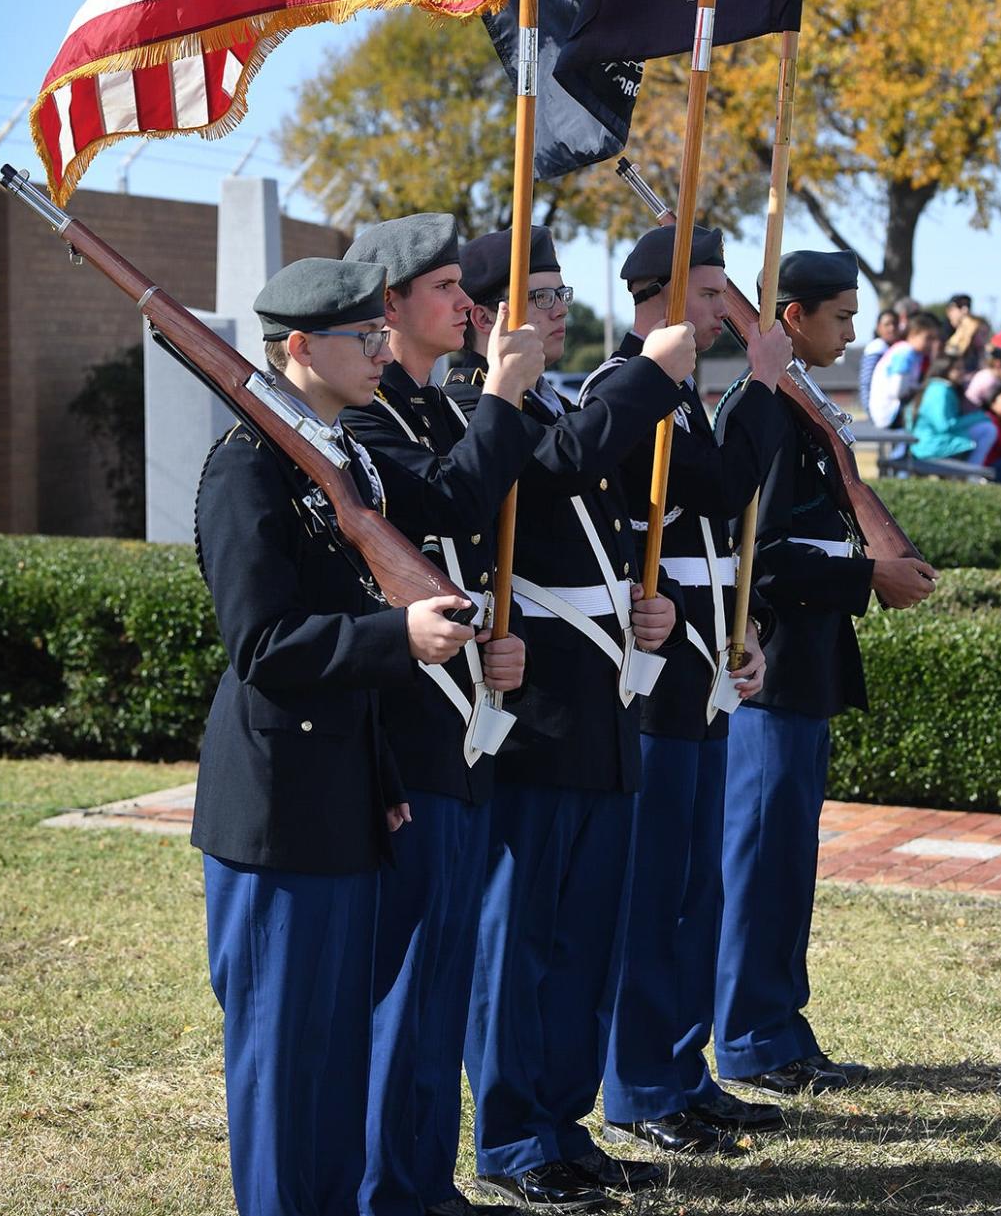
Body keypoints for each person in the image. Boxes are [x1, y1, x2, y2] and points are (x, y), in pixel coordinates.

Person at [191, 258, 477, 1216]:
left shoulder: (337, 459)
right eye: (363, 338)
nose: (380, 350)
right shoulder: (245, 466)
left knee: (336, 1058)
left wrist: (381, 769)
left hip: (343, 793)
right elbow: (264, 644)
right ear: (299, 348)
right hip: (276, 807)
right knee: (284, 1061)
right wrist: (401, 634)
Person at [448, 226, 695, 1210]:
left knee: (588, 929)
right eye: (536, 293)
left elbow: (621, 517)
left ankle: (562, 1116)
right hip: (537, 699)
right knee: (523, 936)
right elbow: (547, 471)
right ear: (479, 314)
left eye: (557, 289)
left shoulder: (554, 395)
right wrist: (646, 377)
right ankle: (511, 1135)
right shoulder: (481, 407)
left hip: (603, 699)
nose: (556, 306)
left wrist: (659, 600)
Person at [337, 213, 547, 1216]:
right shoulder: (371, 417)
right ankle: (389, 1185)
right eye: (445, 286)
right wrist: (502, 393)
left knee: (445, 969)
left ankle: (424, 1179)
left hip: (465, 715)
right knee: (410, 976)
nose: (469, 303)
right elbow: (452, 509)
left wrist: (497, 641)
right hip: (409, 731)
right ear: (387, 305)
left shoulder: (432, 410)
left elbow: (472, 555)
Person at [580, 223, 790, 1155]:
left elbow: (718, 516)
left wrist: (737, 637)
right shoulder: (621, 392)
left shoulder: (687, 398)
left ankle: (681, 1065)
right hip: (651, 678)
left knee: (695, 890)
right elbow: (714, 485)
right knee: (653, 889)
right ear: (658, 293)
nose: (719, 311)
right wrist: (766, 385)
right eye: (708, 294)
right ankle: (637, 1083)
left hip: (701, 665)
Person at [713, 250, 938, 1097]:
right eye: (840, 315)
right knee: (759, 862)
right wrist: (863, 576)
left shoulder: (801, 411)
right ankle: (746, 1036)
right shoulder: (764, 413)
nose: (852, 330)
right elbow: (756, 563)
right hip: (767, 675)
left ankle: (778, 1026)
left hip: (806, 672)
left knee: (787, 867)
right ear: (792, 318)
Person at [908, 357, 997, 466]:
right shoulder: (940, 390)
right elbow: (944, 425)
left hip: (931, 442)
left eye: (962, 368)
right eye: (957, 369)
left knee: (985, 428)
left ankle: (971, 473)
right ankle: (971, 474)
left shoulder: (941, 387)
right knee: (987, 429)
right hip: (929, 446)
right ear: (944, 369)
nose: (962, 372)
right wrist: (980, 417)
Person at [866, 311, 941, 428]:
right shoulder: (905, 353)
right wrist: (919, 389)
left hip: (895, 409)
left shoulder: (916, 354)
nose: (931, 344)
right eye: (928, 338)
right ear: (913, 335)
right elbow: (898, 391)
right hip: (890, 412)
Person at [857, 309, 898, 416]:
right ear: (879, 328)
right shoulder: (877, 348)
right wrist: (869, 410)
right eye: (887, 324)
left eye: (895, 324)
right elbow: (866, 382)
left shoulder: (893, 348)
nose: (892, 328)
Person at [964, 345, 1001, 410]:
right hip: (973, 411)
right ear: (997, 363)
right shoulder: (989, 379)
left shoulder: (988, 374)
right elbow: (993, 406)